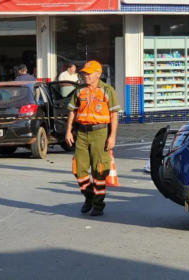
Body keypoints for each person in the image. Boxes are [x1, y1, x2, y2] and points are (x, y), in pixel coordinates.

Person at [65, 60, 121, 217]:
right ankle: (89, 196)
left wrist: (112, 136)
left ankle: (98, 205)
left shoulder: (108, 90)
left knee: (99, 170)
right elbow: (72, 112)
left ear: (98, 74)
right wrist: (68, 131)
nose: (85, 76)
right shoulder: (79, 91)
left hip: (100, 133)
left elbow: (114, 115)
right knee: (78, 169)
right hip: (82, 133)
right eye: (84, 73)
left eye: (88, 73)